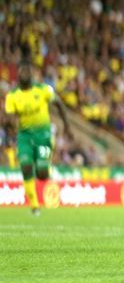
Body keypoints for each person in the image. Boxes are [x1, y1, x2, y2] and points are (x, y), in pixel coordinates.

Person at [4, 61, 71, 215]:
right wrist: (11, 123)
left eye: (27, 70)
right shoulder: (12, 96)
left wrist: (67, 126)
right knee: (26, 166)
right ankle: (34, 206)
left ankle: (46, 167)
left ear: (32, 75)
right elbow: (9, 117)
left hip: (43, 134)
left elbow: (59, 104)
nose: (25, 73)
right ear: (18, 76)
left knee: (41, 173)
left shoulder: (43, 90)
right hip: (25, 136)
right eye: (22, 70)